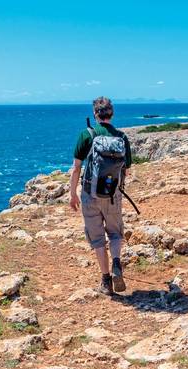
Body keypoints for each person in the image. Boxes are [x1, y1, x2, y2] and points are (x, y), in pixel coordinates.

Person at [69, 97, 133, 295]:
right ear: (111, 114)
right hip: (113, 194)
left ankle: (106, 281)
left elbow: (76, 168)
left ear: (95, 114)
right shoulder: (121, 137)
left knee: (97, 239)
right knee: (115, 233)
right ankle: (116, 263)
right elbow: (126, 169)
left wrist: (73, 194)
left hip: (90, 194)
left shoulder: (87, 134)